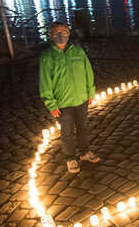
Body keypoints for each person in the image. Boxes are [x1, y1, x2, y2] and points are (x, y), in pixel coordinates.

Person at [39, 21, 99, 173]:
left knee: (83, 127)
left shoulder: (78, 52)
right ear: (51, 35)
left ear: (69, 32)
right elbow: (45, 82)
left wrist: (90, 92)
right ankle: (71, 158)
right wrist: (51, 103)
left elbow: (88, 73)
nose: (61, 35)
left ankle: (85, 152)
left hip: (81, 99)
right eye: (57, 32)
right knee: (66, 132)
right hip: (63, 102)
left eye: (64, 31)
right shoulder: (47, 57)